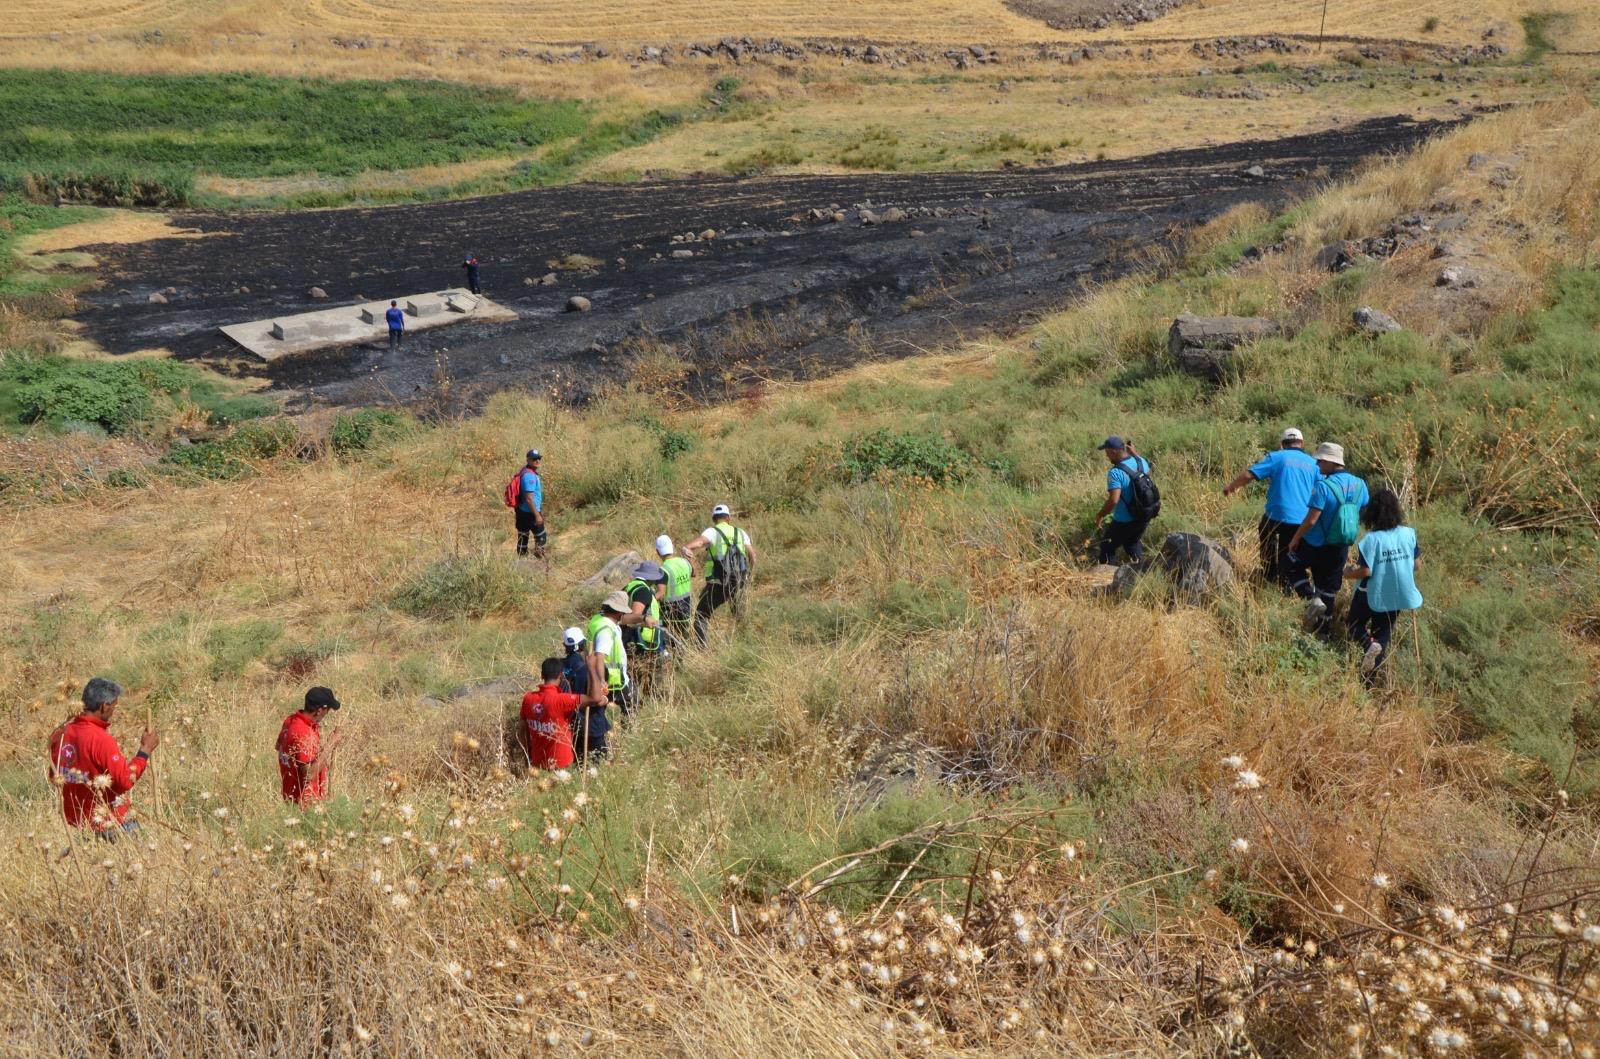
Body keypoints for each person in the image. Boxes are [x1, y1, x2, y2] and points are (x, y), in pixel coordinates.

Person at [47, 677, 159, 837]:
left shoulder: (60, 734)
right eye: (114, 706)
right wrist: (145, 751)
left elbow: (54, 776)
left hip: (74, 828)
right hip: (107, 825)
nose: (114, 711)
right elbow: (125, 780)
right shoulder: (100, 739)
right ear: (104, 706)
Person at [1286, 442, 1369, 636]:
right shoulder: (1360, 484)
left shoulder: (1323, 486)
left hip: (1316, 544)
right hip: (1341, 546)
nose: (1318, 465)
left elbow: (1312, 519)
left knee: (1289, 564)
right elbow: (1363, 509)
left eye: (1321, 461)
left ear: (1331, 463)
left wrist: (1296, 538)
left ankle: (1310, 599)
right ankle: (1322, 634)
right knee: (1329, 591)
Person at [1222, 427, 1318, 590]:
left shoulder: (1277, 457)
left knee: (1266, 540)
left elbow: (1249, 475)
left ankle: (1269, 577)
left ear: (1282, 444)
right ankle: (1288, 582)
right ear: (1301, 444)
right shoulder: (1315, 464)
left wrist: (1231, 487)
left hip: (1275, 515)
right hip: (1302, 519)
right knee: (1289, 550)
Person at [1344, 488, 1423, 685]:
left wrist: (1347, 574)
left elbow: (1366, 572)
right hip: (1398, 595)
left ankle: (1368, 644)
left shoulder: (1371, 540)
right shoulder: (1408, 534)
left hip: (1371, 594)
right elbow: (1417, 564)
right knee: (1383, 635)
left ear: (1372, 512)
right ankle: (1368, 683)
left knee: (1354, 625)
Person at [684, 504, 756, 644]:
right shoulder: (740, 532)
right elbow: (753, 556)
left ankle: (701, 648)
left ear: (714, 519)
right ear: (728, 518)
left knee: (701, 614)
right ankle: (744, 642)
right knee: (739, 614)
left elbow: (697, 544)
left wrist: (686, 548)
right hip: (740, 581)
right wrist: (748, 576)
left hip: (719, 582)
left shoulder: (712, 532)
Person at [521, 658, 605, 770]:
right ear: (561, 676)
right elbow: (595, 698)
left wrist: (527, 754)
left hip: (537, 764)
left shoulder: (528, 698)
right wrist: (591, 668)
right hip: (561, 765)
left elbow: (523, 729)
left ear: (542, 675)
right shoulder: (563, 700)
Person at [276, 687, 344, 805]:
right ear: (319, 711)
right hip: (304, 803)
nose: (326, 714)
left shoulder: (291, 720)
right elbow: (309, 775)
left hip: (289, 795)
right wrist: (331, 743)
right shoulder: (303, 732)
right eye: (327, 710)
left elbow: (279, 746)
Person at [1092, 436, 1153, 566]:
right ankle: (1140, 570)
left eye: (1107, 453)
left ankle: (1109, 578)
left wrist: (1100, 515)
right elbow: (1149, 476)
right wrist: (1135, 454)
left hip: (1124, 520)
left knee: (1107, 549)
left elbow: (1114, 500)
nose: (1107, 457)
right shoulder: (1140, 461)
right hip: (1144, 515)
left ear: (1113, 452)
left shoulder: (1115, 472)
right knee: (1132, 543)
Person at [560, 626, 609, 759]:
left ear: (565, 645)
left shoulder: (558, 666)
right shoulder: (591, 668)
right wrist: (605, 699)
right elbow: (599, 698)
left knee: (577, 762)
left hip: (569, 725)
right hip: (592, 725)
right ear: (584, 644)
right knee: (598, 764)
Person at [622, 561, 667, 698]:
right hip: (643, 641)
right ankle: (644, 701)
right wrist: (644, 619)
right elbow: (633, 615)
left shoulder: (629, 586)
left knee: (634, 675)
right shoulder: (643, 591)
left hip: (634, 638)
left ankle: (639, 701)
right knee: (640, 675)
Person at [587, 592, 635, 717]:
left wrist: (643, 619)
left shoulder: (599, 619)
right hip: (613, 680)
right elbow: (599, 657)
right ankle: (628, 732)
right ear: (619, 612)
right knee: (631, 706)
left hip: (611, 678)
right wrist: (602, 681)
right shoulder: (606, 631)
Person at [656, 534, 694, 642]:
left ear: (658, 552)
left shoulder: (663, 570)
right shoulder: (684, 562)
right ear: (672, 547)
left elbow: (661, 593)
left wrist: (647, 599)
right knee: (684, 640)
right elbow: (694, 573)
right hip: (687, 608)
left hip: (671, 613)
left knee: (672, 641)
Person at [512, 450, 546, 561]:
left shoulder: (525, 470)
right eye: (534, 459)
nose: (537, 461)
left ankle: (521, 561)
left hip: (521, 511)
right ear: (528, 460)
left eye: (539, 458)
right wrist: (537, 515)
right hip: (530, 513)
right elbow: (529, 499)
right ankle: (540, 561)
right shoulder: (529, 476)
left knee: (523, 536)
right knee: (541, 536)